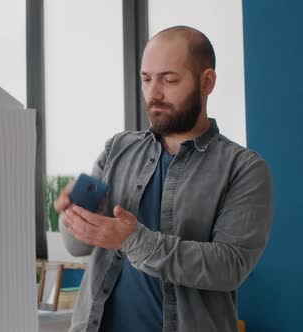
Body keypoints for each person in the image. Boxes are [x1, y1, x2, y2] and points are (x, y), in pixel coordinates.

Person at [53, 26, 273, 332]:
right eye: (146, 79)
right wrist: (73, 215)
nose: (154, 93)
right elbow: (77, 246)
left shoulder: (244, 168)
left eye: (169, 80)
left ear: (206, 82)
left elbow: (230, 266)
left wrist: (131, 239)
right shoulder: (116, 149)